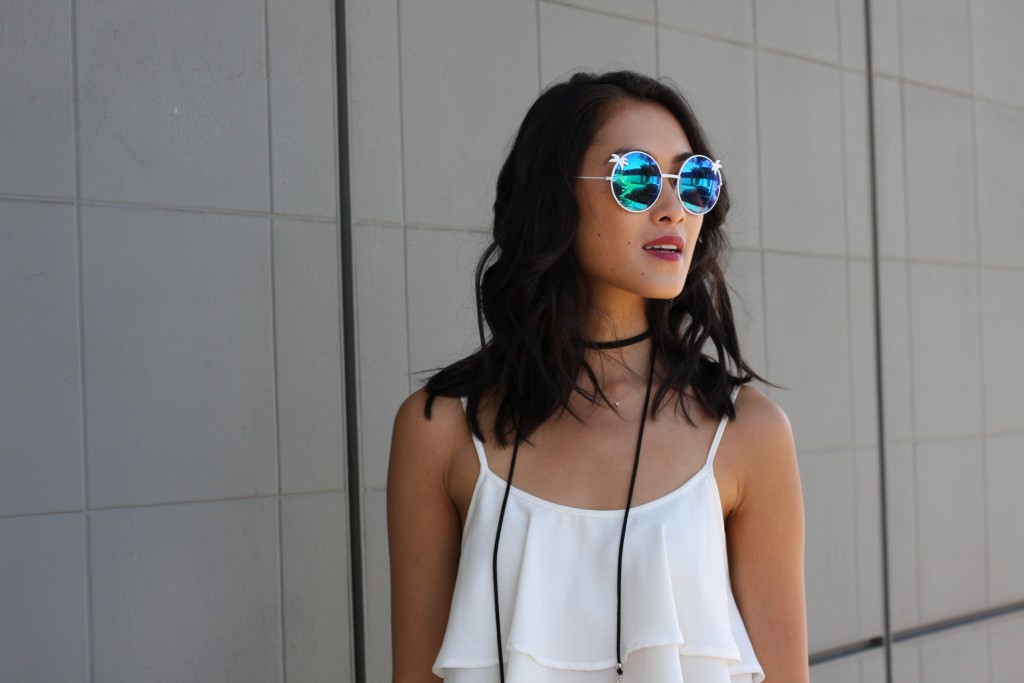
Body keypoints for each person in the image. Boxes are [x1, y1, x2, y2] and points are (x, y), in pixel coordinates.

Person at [388, 70, 808, 683]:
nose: (673, 210)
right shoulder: (440, 429)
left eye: (693, 182)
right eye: (635, 178)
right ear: (554, 195)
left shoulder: (747, 433)